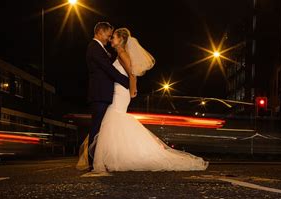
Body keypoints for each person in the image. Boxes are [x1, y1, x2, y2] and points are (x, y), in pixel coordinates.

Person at [78, 28, 208, 172]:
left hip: (120, 92)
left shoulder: (122, 54)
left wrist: (132, 89)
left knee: (112, 120)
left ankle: (109, 159)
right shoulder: (119, 54)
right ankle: (114, 157)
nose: (110, 40)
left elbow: (132, 74)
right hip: (118, 91)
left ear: (121, 40)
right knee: (112, 123)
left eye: (113, 37)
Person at [83, 22, 130, 171]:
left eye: (111, 36)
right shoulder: (94, 47)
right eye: (108, 35)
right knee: (96, 128)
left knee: (101, 128)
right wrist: (126, 82)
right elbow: (108, 69)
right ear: (100, 32)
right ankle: (93, 161)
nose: (109, 39)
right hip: (99, 94)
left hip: (103, 93)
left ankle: (99, 159)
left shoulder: (99, 48)